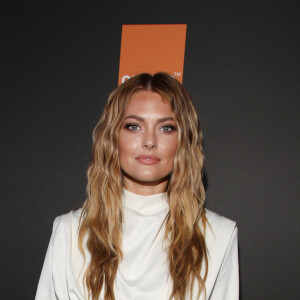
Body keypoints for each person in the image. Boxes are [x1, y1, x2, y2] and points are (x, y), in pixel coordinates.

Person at [35, 73, 239, 300]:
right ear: (113, 137)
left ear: (184, 141)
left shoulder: (218, 235)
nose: (149, 141)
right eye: (134, 126)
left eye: (166, 128)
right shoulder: (69, 232)